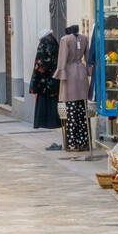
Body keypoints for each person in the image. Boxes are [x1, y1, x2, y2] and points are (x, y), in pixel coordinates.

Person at [54, 24, 91, 152]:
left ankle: (71, 143)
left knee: (70, 112)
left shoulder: (65, 40)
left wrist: (61, 73)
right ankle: (84, 141)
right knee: (82, 111)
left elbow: (62, 58)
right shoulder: (84, 38)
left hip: (69, 75)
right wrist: (89, 71)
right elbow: (88, 58)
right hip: (81, 73)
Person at [29, 28, 62, 143]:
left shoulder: (43, 45)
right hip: (55, 80)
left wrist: (34, 84)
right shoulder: (56, 44)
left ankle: (46, 123)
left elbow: (40, 65)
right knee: (54, 103)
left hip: (44, 83)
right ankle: (54, 122)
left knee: (45, 104)